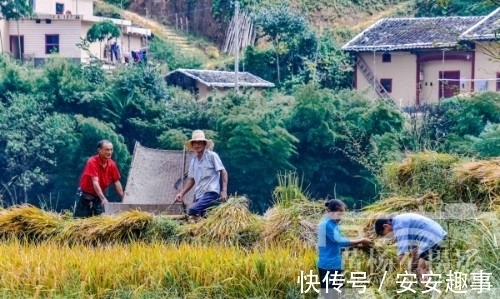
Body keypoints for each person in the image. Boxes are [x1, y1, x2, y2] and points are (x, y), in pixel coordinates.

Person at [317, 199, 372, 299]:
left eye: (342, 214)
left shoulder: (334, 225)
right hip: (327, 267)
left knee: (340, 295)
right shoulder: (325, 225)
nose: (340, 217)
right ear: (330, 212)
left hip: (336, 265)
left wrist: (357, 246)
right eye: (339, 214)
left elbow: (338, 245)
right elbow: (339, 241)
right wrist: (361, 240)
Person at [374, 213, 447, 282]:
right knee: (423, 266)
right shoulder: (400, 220)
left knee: (421, 269)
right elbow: (414, 249)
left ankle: (428, 291)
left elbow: (401, 254)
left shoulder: (399, 226)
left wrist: (398, 272)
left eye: (384, 234)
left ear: (386, 226)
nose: (387, 236)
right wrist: (412, 266)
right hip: (439, 235)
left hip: (432, 239)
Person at [175, 130, 228, 222]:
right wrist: (181, 193)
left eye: (200, 142)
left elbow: (223, 172)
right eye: (195, 143)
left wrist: (224, 190)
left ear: (204, 144)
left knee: (193, 210)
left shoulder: (212, 156)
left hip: (211, 192)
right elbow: (192, 180)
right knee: (205, 218)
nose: (197, 145)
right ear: (192, 145)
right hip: (199, 195)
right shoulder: (194, 161)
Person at [74, 140, 124, 218]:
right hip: (85, 195)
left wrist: (124, 198)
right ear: (99, 150)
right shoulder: (92, 162)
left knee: (99, 220)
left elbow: (116, 182)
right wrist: (103, 199)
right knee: (80, 220)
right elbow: (95, 182)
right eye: (107, 149)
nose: (110, 152)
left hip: (98, 196)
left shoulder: (112, 164)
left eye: (111, 150)